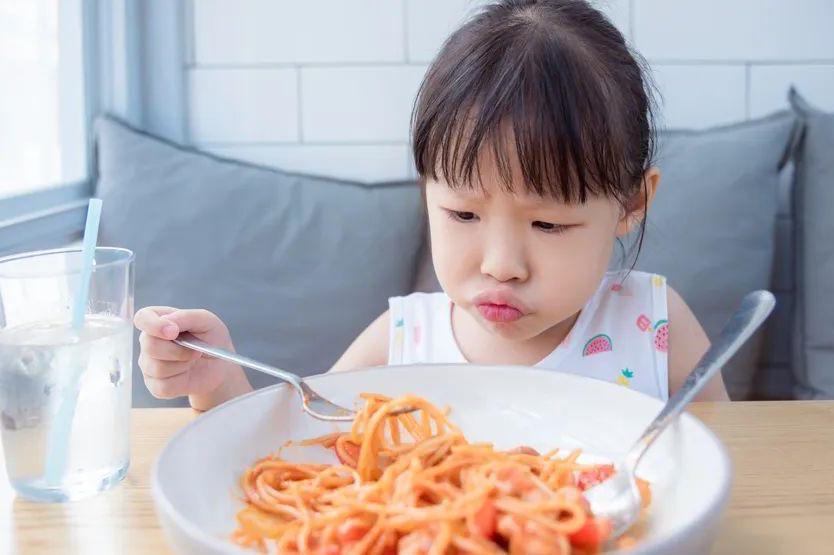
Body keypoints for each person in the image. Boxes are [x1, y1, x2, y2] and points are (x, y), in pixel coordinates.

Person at [133, 0, 729, 412]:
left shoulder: (655, 325)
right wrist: (215, 381)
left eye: (549, 223)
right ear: (427, 192)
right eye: (463, 214)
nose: (501, 264)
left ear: (631, 203)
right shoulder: (402, 340)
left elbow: (732, 467)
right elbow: (298, 447)